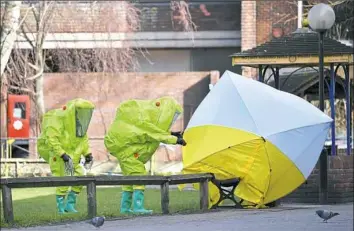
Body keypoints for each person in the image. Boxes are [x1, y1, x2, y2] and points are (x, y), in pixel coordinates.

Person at [104, 96, 187, 215]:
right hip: (129, 154)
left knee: (129, 180)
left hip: (127, 153)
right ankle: (138, 207)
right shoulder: (142, 122)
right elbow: (153, 133)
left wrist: (172, 134)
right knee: (139, 175)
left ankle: (125, 208)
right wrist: (175, 140)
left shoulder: (142, 120)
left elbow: (154, 130)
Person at [37, 98, 95, 214]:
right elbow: (52, 139)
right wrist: (62, 154)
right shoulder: (59, 120)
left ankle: (70, 204)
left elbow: (83, 141)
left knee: (81, 176)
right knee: (64, 180)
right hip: (59, 157)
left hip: (72, 158)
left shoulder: (79, 125)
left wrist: (88, 154)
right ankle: (60, 208)